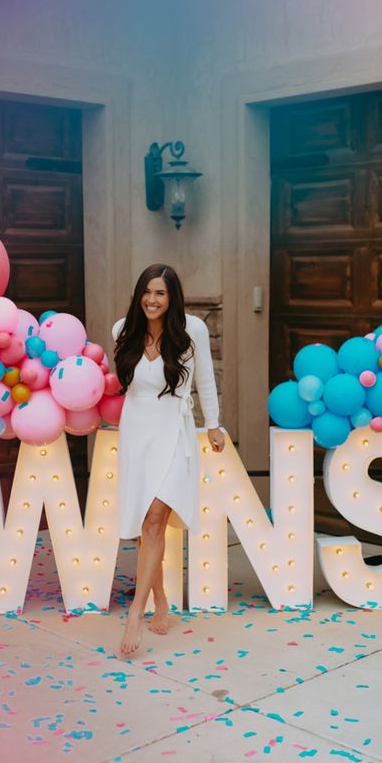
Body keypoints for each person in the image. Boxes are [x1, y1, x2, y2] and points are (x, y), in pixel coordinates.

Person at [112, 264, 224, 658]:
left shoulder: (192, 330)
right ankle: (160, 602)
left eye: (160, 293)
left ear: (172, 297)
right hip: (136, 434)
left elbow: (206, 380)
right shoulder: (121, 331)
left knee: (156, 519)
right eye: (147, 292)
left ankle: (135, 614)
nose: (152, 300)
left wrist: (213, 424)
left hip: (174, 432)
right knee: (147, 527)